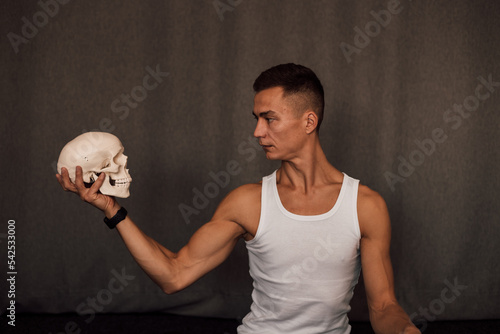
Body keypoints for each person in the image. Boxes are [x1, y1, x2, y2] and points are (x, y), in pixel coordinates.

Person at [57, 63, 420, 333]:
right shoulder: (247, 203)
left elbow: (384, 305)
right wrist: (112, 209)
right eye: (256, 118)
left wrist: (406, 331)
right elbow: (173, 275)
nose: (257, 131)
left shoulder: (365, 206)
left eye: (269, 119)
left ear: (308, 122)